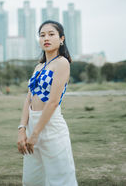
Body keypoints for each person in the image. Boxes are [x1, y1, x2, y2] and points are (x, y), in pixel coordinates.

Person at [17, 20, 78, 186]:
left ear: (61, 39)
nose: (46, 38)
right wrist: (22, 129)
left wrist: (36, 133)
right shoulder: (38, 67)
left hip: (51, 126)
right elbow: (28, 99)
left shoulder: (62, 63)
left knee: (61, 178)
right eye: (42, 35)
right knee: (32, 179)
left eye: (51, 34)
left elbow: (52, 102)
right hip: (32, 124)